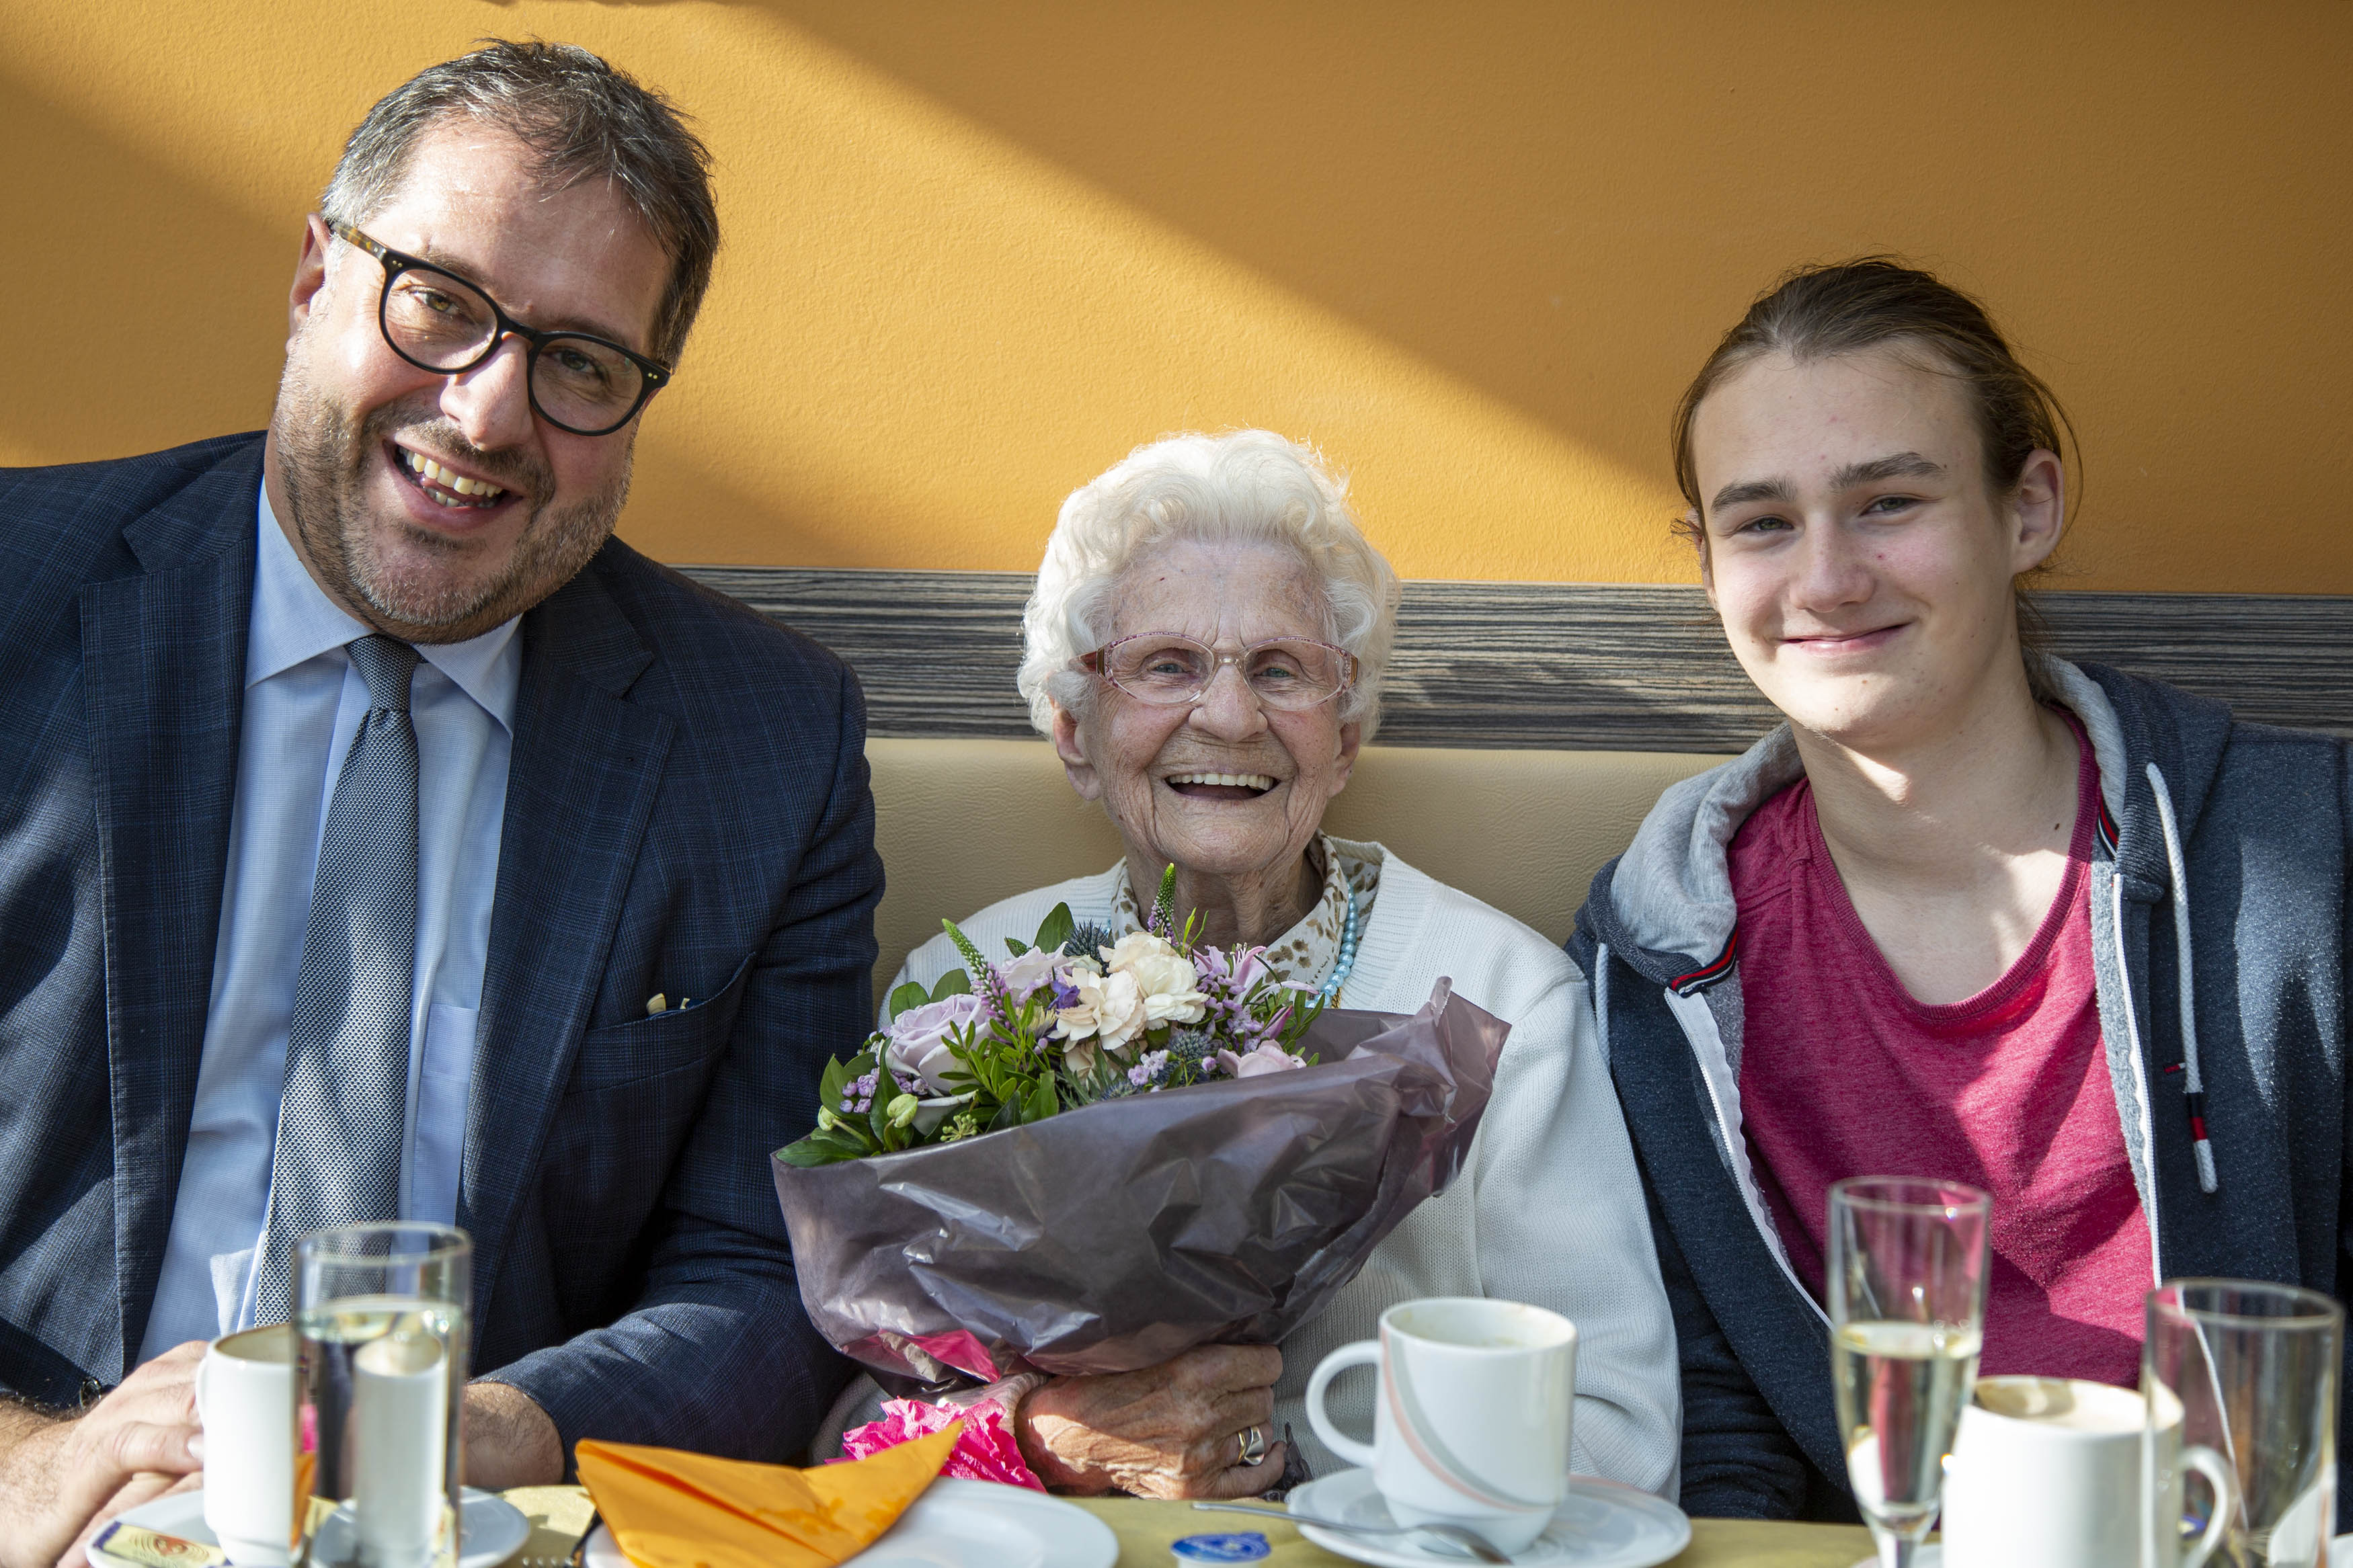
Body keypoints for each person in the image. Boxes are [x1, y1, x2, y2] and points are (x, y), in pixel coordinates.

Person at [0, 42, 881, 1562]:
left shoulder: (765, 737)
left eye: (581, 363)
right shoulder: (20, 599)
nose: (485, 415)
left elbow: (765, 1274)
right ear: (313, 278)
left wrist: (508, 1425)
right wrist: (28, 1465)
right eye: (444, 305)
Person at [1569, 258, 2352, 1518]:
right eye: (1762, 522)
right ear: (1709, 565)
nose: (1827, 578)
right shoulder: (1652, 959)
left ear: (2026, 508)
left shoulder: (2297, 858)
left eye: (1887, 501)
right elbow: (1719, 1433)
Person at [830, 429, 1677, 1500]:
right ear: (1072, 729)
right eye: (1167, 665)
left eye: (1281, 670)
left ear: (1348, 732)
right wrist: (1046, 1435)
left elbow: (1619, 1430)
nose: (1230, 717)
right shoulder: (962, 997)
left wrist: (1301, 1484)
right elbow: (854, 1416)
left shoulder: (1506, 1003)